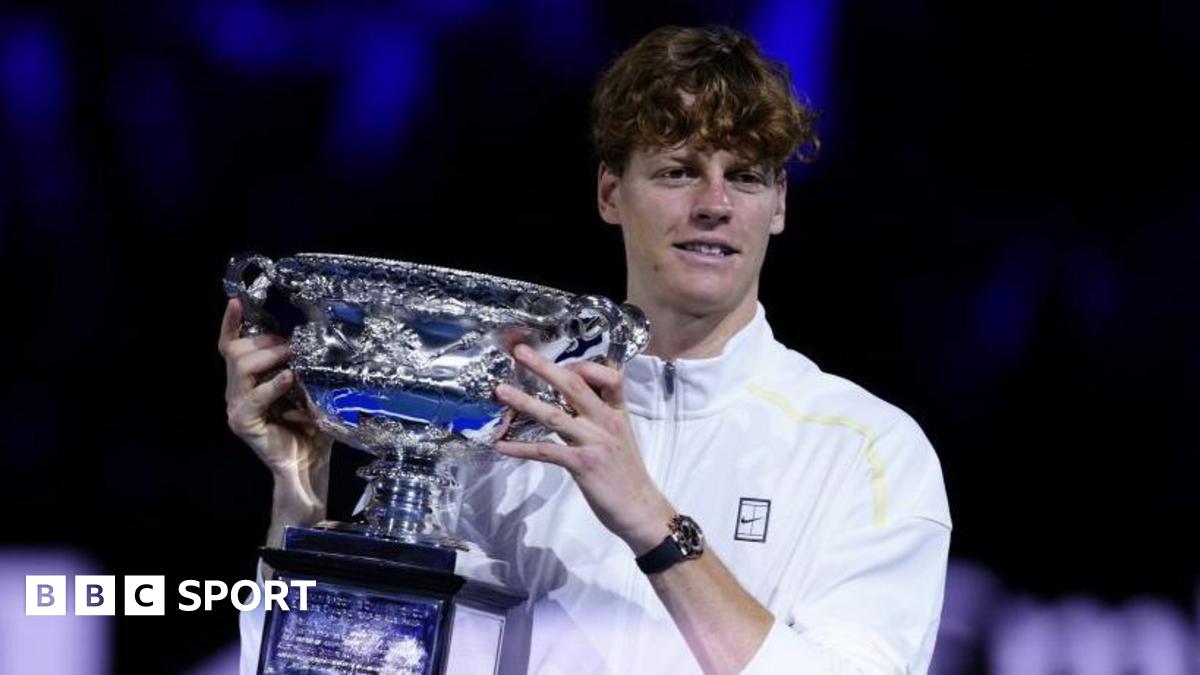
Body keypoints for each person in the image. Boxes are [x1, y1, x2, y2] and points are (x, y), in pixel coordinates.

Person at [220, 25, 951, 674]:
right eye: (678, 169)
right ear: (610, 192)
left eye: (747, 176)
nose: (715, 204)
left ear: (779, 204)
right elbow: (333, 665)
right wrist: (301, 491)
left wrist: (652, 523)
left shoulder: (868, 452)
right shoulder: (503, 419)